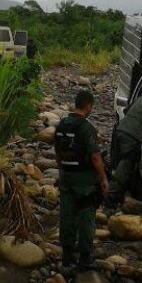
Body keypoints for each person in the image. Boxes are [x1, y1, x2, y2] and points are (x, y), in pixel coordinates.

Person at [55, 90, 109, 268]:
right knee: (86, 215)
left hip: (66, 176)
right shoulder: (86, 127)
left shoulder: (62, 124)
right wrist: (103, 178)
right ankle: (85, 256)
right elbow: (95, 156)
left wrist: (61, 170)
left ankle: (67, 255)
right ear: (88, 106)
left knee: (67, 214)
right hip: (84, 179)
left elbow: (57, 152)